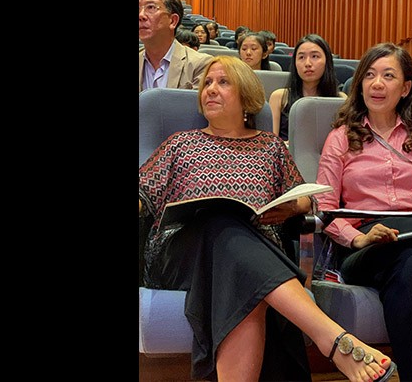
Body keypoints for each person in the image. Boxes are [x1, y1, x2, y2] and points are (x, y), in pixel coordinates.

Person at [139, 55, 397, 382]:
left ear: (246, 95)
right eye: (207, 83)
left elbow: (304, 197)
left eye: (223, 82)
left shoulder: (270, 146)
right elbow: (144, 192)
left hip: (249, 257)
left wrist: (295, 207)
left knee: (242, 270)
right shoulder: (182, 143)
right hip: (183, 253)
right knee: (221, 223)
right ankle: (331, 337)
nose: (210, 90)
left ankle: (330, 339)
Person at [314, 42, 412, 382]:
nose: (376, 83)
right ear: (359, 84)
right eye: (369, 75)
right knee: (410, 263)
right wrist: (359, 239)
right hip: (366, 243)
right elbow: (325, 209)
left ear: (405, 88)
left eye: (388, 76)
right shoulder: (341, 137)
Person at [269, 34, 347, 141]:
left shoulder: (341, 100)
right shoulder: (280, 97)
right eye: (301, 57)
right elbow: (272, 145)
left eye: (315, 56)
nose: (308, 63)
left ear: (327, 61)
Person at [139, 0, 212, 91]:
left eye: (151, 7)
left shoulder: (200, 65)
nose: (141, 15)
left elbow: (193, 108)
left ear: (173, 21)